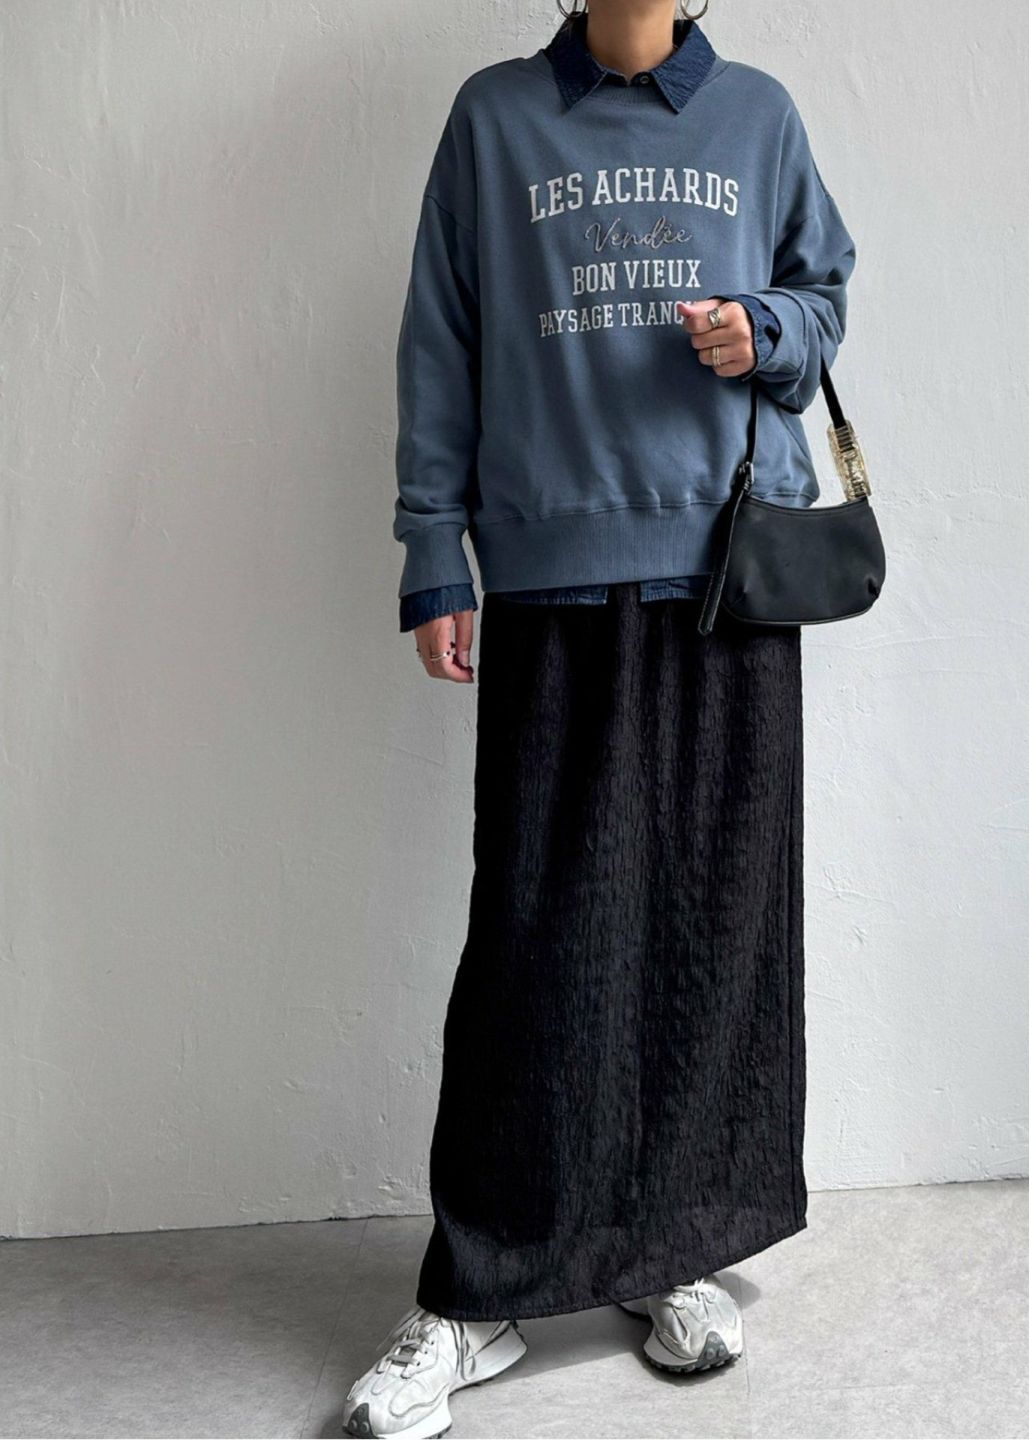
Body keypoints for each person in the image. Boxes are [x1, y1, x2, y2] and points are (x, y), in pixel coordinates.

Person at [344, 2, 856, 1435]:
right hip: (552, 571)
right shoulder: (494, 117)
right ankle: (477, 1291)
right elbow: (441, 337)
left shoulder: (757, 114)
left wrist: (761, 331)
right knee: (537, 936)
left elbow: (823, 300)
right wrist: (432, 548)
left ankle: (671, 1244)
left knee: (709, 931)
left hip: (728, 576)